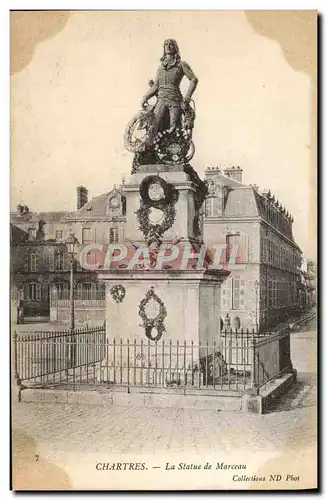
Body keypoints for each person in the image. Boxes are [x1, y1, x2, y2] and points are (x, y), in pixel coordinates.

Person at [141, 39, 198, 132]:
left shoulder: (181, 64)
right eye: (166, 44)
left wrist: (187, 97)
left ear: (175, 48)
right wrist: (145, 97)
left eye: (171, 44)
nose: (168, 46)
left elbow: (193, 79)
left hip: (174, 100)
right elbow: (156, 86)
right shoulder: (160, 68)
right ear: (163, 48)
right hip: (161, 100)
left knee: (174, 129)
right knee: (154, 127)